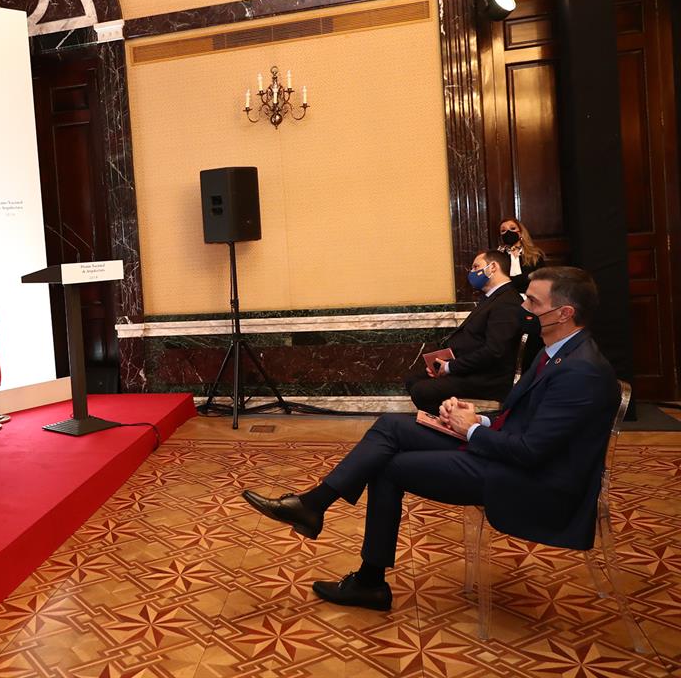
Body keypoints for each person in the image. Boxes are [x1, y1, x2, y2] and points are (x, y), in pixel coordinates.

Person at [241, 266, 617, 611]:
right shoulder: (555, 354)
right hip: (505, 454)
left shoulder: (581, 371)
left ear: (564, 313)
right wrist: (470, 418)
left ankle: (368, 579)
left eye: (532, 302)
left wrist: (469, 429)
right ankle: (312, 504)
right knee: (391, 426)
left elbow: (533, 452)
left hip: (530, 482)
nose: (524, 308)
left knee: (389, 467)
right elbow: (520, 422)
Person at [404, 250, 524, 413]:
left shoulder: (507, 301)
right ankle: (447, 423)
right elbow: (473, 338)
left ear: (493, 267)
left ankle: (453, 428)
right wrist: (440, 363)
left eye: (476, 267)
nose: (472, 272)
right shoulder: (491, 297)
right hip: (470, 369)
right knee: (413, 380)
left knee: (422, 390)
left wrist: (449, 368)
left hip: (487, 379)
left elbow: (494, 351)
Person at [498, 217, 545, 294]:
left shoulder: (534, 254)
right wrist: (525, 278)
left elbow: (540, 277)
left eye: (512, 228)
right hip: (507, 296)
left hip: (531, 295)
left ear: (520, 233)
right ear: (501, 237)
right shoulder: (499, 256)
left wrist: (512, 281)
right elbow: (499, 281)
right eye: (503, 231)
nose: (508, 232)